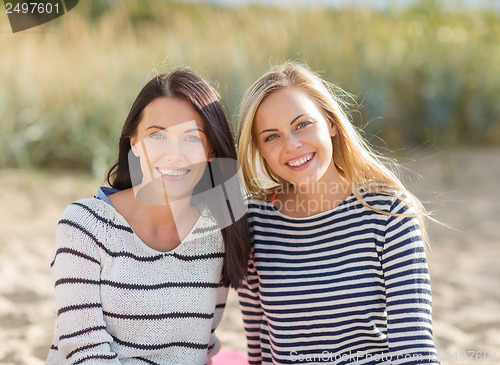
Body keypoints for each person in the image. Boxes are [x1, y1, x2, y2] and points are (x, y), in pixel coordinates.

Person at [236, 62, 440, 365]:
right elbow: (258, 347)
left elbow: (414, 352)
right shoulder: (254, 221)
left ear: (330, 123)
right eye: (271, 136)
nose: (292, 145)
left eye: (302, 124)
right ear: (259, 150)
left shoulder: (389, 215)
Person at [46, 68, 250, 365]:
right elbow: (84, 349)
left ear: (210, 149)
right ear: (135, 143)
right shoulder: (85, 225)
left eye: (192, 138)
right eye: (157, 136)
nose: (174, 154)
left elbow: (202, 345)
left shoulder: (219, 232)